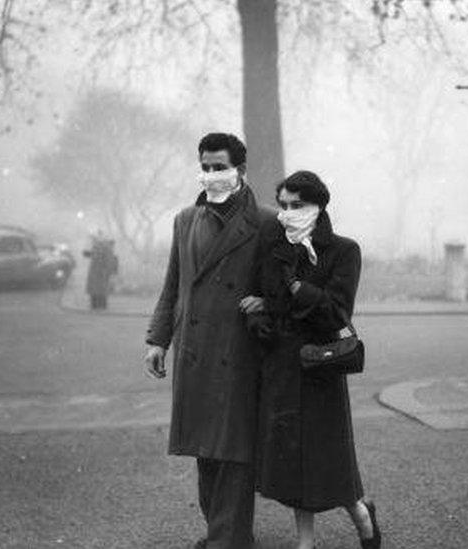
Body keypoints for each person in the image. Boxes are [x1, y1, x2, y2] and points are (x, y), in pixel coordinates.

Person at [144, 133, 274, 549]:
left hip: (239, 349)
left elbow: (282, 285)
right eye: (206, 167)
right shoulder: (185, 220)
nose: (212, 175)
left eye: (220, 167)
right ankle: (225, 533)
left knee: (234, 450)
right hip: (196, 349)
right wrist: (157, 339)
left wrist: (266, 304)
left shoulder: (267, 222)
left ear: (241, 170)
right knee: (205, 448)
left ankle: (228, 540)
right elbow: (173, 285)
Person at [239, 171, 381, 549]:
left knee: (329, 456)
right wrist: (259, 316)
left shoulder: (344, 250)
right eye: (283, 205)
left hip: (320, 365)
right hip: (282, 366)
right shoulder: (273, 247)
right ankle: (305, 542)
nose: (288, 213)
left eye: (297, 206)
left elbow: (337, 313)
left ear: (318, 207)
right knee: (292, 460)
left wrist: (296, 289)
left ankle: (363, 516)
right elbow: (256, 297)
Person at [83, 234, 118, 310]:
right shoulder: (107, 249)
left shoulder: (98, 248)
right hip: (102, 274)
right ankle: (101, 305)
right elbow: (111, 262)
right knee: (101, 291)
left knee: (96, 291)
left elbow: (87, 254)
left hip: (97, 273)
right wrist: (111, 272)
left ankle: (95, 305)